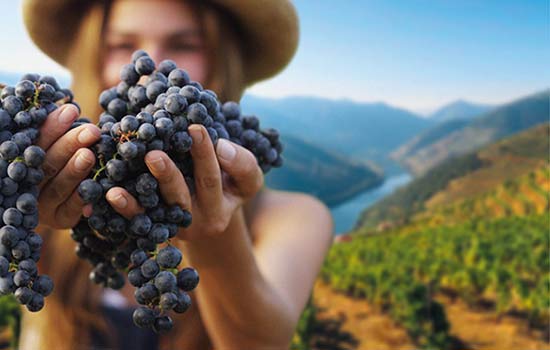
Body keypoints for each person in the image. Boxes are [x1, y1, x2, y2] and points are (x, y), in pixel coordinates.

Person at [18, 0, 333, 349]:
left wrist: (215, 239)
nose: (153, 68)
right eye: (122, 45)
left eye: (185, 45)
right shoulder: (47, 185)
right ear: (92, 54)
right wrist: (24, 197)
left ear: (223, 60)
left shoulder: (295, 218)